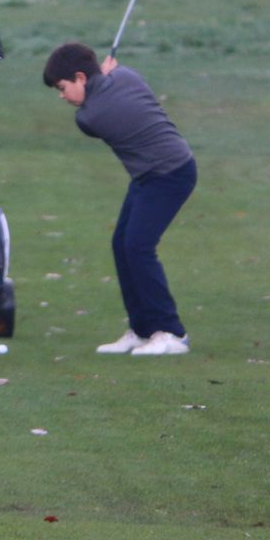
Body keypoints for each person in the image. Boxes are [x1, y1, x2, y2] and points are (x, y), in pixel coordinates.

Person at [43, 41, 197, 356]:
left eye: (62, 87)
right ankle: (142, 330)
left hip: (170, 174)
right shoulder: (127, 75)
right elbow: (114, 80)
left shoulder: (90, 118)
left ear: (80, 77)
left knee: (138, 247)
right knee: (122, 244)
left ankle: (172, 333)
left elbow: (99, 102)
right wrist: (106, 76)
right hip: (148, 175)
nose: (62, 96)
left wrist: (103, 78)